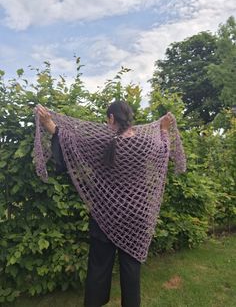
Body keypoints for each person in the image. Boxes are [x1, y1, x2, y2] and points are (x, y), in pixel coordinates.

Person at [36, 101, 172, 307]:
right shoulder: (145, 142)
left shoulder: (100, 142)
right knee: (131, 268)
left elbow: (69, 142)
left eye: (107, 119)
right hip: (136, 214)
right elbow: (163, 150)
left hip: (105, 214)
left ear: (111, 118)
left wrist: (48, 123)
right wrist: (163, 129)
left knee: (99, 266)